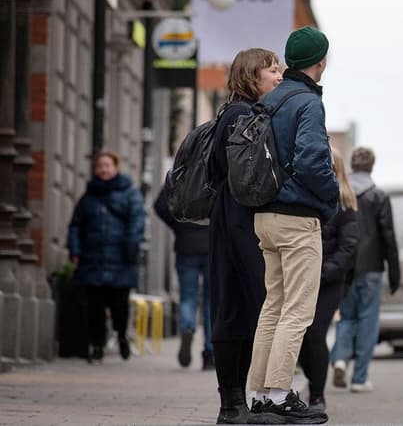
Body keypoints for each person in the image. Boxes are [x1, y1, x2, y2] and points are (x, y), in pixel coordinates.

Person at [248, 27, 337, 425]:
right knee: (298, 312)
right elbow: (313, 162)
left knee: (273, 307)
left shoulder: (270, 100)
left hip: (264, 216)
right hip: (298, 218)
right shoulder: (307, 103)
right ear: (321, 62)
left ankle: (258, 395)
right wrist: (332, 197)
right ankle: (281, 395)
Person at [207, 47, 285, 425]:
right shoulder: (242, 115)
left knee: (237, 306)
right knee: (241, 307)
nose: (278, 76)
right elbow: (247, 176)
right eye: (272, 70)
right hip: (238, 218)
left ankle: (237, 403)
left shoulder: (233, 112)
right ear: (252, 75)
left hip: (232, 217)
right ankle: (233, 405)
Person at [330, 146, 400, 394]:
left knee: (346, 317)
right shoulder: (378, 196)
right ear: (372, 166)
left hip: (345, 268)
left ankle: (339, 359)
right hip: (371, 268)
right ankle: (359, 378)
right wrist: (394, 274)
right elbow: (388, 237)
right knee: (368, 321)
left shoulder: (341, 194)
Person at [67, 150, 144, 364]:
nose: (103, 169)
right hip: (93, 259)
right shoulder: (88, 197)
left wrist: (130, 250)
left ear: (115, 167)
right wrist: (75, 251)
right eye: (100, 166)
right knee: (95, 307)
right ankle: (97, 345)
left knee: (119, 305)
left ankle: (121, 335)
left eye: (107, 165)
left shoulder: (130, 193)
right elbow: (76, 226)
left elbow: (137, 223)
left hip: (121, 259)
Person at [298, 148, 359, 412]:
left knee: (314, 333)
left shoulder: (346, 205)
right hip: (302, 277)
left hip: (329, 282)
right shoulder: (306, 200)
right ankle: (307, 386)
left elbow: (348, 248)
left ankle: (317, 395)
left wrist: (321, 273)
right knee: (298, 334)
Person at [153, 190, 213, 369]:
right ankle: (209, 353)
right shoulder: (216, 167)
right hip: (212, 244)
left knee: (188, 297)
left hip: (186, 243)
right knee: (211, 301)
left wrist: (179, 224)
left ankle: (187, 327)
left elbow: (160, 205)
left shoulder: (183, 168)